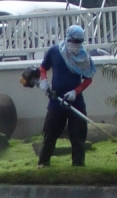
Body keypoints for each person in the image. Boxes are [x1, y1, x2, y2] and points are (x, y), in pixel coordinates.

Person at [37, 24, 96, 168]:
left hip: (75, 101)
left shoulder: (83, 58)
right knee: (50, 133)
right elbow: (43, 67)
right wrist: (44, 80)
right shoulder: (55, 51)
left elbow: (88, 78)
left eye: (79, 42)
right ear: (67, 39)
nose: (76, 45)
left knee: (78, 134)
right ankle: (43, 163)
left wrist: (76, 91)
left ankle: (78, 164)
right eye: (74, 41)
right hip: (56, 100)